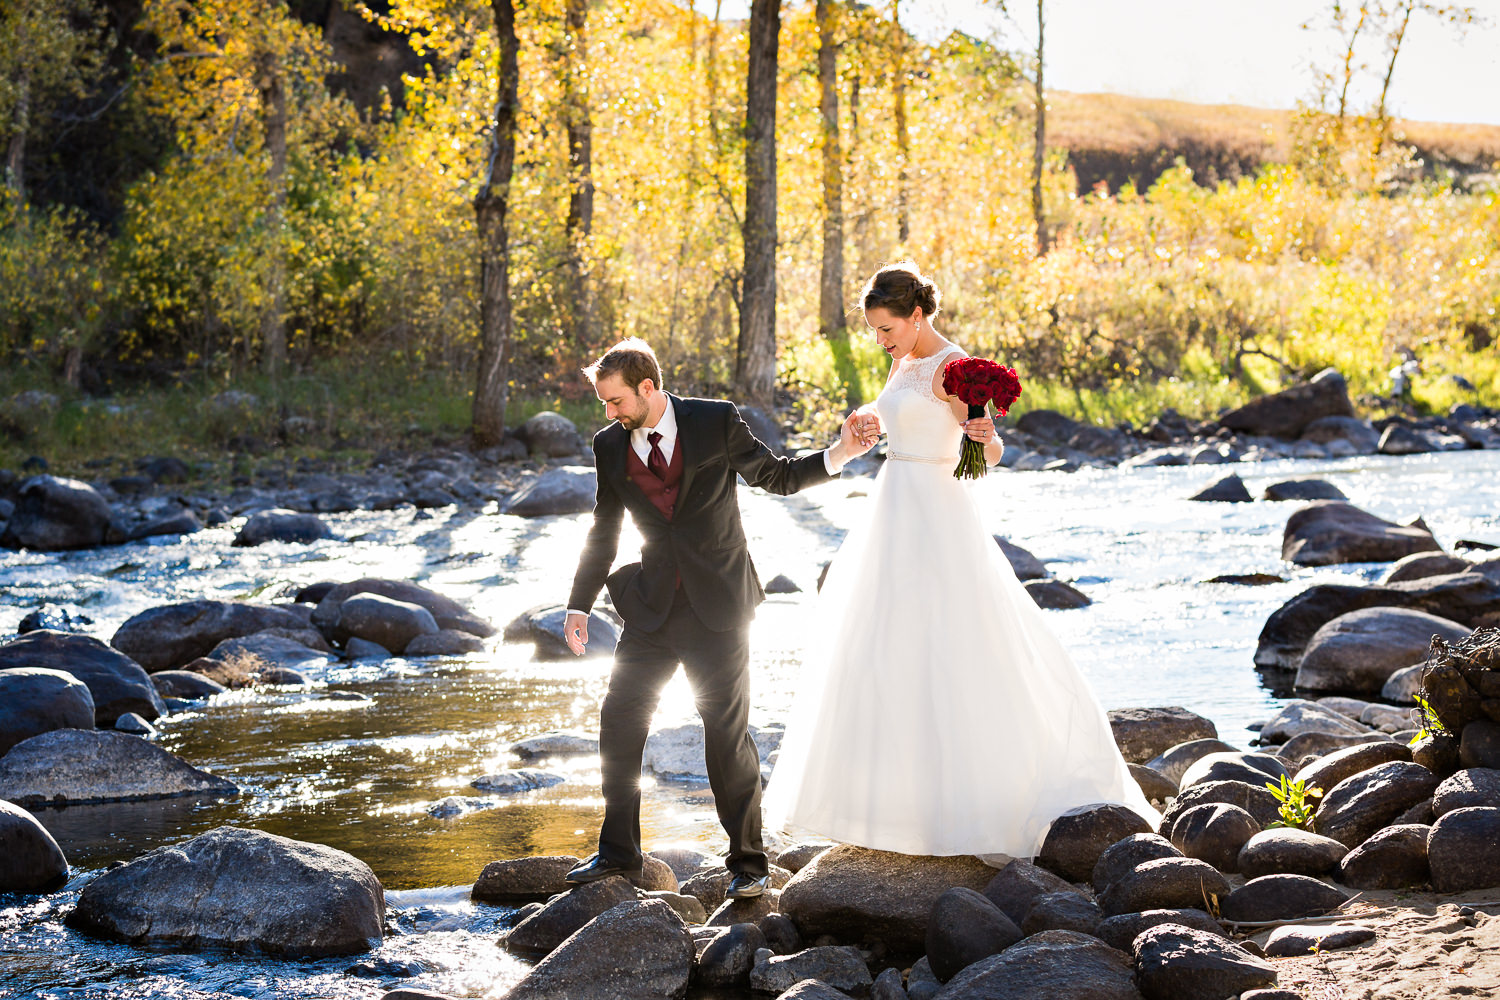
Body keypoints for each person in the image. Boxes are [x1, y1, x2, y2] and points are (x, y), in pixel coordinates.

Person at [763, 262, 1159, 860]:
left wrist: (982, 435)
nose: (881, 340)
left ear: (917, 315)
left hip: (936, 511)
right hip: (891, 507)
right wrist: (861, 428)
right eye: (874, 330)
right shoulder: (902, 359)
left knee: (955, 643)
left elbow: (991, 448)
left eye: (887, 328)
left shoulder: (953, 366)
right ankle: (888, 807)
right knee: (881, 646)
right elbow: (898, 419)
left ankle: (970, 807)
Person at [561, 338, 878, 898]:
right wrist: (578, 603)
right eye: (604, 404)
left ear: (648, 388)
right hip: (652, 608)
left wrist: (842, 452)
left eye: (615, 401)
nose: (608, 413)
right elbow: (604, 528)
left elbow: (776, 477)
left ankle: (748, 865)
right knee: (619, 722)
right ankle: (619, 855)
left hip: (721, 608)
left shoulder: (714, 421)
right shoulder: (609, 445)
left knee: (725, 737)